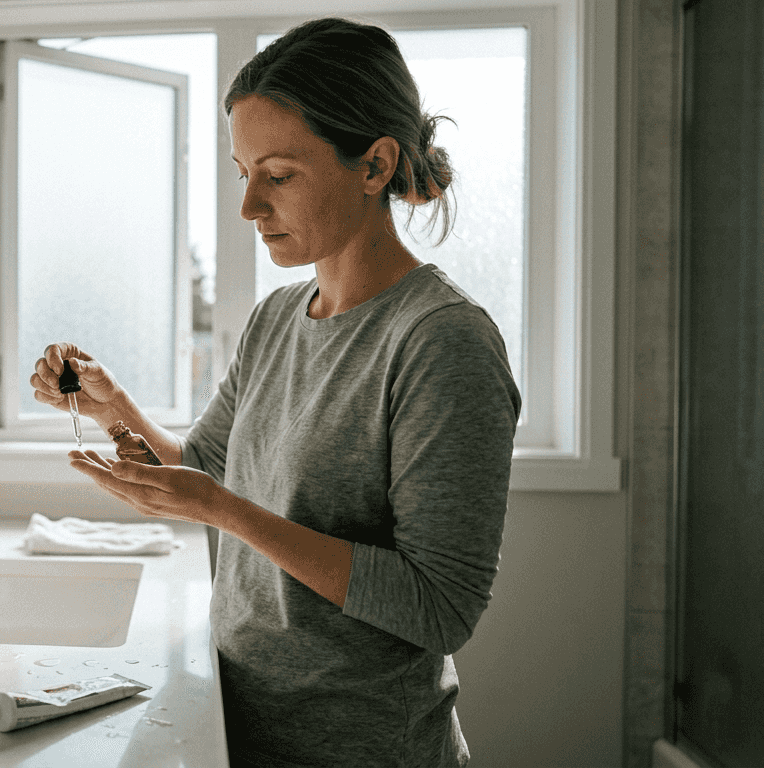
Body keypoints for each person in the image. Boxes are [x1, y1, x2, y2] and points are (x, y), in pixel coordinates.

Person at [30, 16, 521, 768]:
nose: (249, 206)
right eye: (243, 172)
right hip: (243, 727)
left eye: (279, 175)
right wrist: (113, 410)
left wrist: (219, 509)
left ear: (375, 165)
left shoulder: (441, 341)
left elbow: (440, 607)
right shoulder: (278, 318)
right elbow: (207, 470)